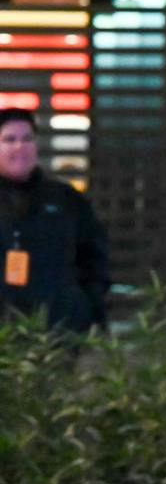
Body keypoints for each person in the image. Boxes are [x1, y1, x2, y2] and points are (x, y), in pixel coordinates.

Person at [0, 109, 109, 333]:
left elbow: (94, 257)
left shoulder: (65, 199)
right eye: (9, 139)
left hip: (59, 330)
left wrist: (85, 306)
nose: (20, 147)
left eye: (27, 139)